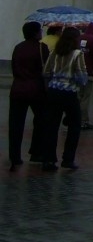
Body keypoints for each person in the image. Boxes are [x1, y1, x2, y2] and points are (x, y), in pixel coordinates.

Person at [40, 26, 88, 172]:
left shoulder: (55, 52)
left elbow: (46, 72)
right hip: (69, 92)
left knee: (52, 126)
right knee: (74, 125)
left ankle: (48, 159)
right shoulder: (77, 54)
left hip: (54, 91)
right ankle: (68, 158)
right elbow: (81, 77)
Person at [8, 21, 49, 170]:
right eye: (39, 30)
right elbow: (45, 69)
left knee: (15, 124)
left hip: (18, 88)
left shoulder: (18, 47)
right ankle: (36, 152)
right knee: (41, 120)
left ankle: (14, 155)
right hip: (36, 89)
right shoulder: (41, 48)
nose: (41, 33)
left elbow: (14, 67)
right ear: (35, 33)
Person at [78, 22, 93, 130]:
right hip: (88, 72)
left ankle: (73, 117)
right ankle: (83, 121)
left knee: (78, 96)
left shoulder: (78, 38)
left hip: (76, 71)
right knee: (86, 97)